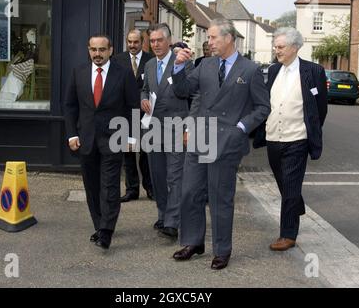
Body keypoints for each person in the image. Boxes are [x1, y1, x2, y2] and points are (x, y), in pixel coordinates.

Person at [171, 18, 270, 270]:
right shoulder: (205, 65)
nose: (209, 42)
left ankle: (222, 250)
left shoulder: (250, 70)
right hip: (199, 138)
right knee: (190, 193)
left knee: (220, 198)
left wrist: (241, 128)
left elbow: (262, 108)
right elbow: (182, 90)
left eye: (213, 37)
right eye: (209, 38)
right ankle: (194, 242)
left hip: (227, 143)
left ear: (229, 38)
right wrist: (178, 66)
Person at [253, 27, 328, 251]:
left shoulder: (313, 71)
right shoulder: (274, 70)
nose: (276, 50)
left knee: (291, 183)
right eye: (275, 46)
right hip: (274, 136)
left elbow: (320, 108)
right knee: (284, 183)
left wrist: (310, 131)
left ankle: (288, 234)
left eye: (281, 47)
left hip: (298, 138)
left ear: (295, 47)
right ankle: (296, 204)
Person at [64, 35, 139, 250]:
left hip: (114, 139)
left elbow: (133, 107)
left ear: (110, 50)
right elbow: (70, 106)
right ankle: (99, 226)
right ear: (88, 50)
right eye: (93, 49)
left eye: (102, 49)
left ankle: (107, 230)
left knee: (110, 186)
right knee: (92, 187)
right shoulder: (78, 72)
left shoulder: (123, 74)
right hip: (86, 140)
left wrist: (132, 137)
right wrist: (72, 135)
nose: (97, 54)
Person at [141, 23, 192, 240]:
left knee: (174, 176)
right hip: (153, 128)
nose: (155, 45)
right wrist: (143, 98)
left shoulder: (182, 63)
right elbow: (145, 88)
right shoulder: (150, 65)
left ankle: (172, 221)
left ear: (169, 40)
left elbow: (190, 94)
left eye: (159, 40)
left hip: (176, 127)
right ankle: (162, 215)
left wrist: (189, 128)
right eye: (152, 41)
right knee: (158, 176)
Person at [113, 29, 154, 203]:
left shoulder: (151, 60)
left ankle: (150, 188)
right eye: (129, 42)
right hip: (124, 114)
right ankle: (132, 190)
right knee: (128, 153)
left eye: (136, 42)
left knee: (146, 153)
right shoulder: (117, 60)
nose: (132, 45)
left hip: (146, 115)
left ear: (142, 42)